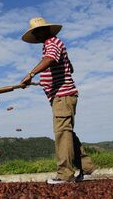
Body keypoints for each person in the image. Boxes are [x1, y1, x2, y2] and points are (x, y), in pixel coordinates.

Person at [20, 17, 95, 184]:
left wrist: (30, 74)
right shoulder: (55, 44)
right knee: (67, 133)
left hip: (63, 96)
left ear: (45, 31)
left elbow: (50, 59)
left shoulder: (52, 42)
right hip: (63, 95)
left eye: (37, 31)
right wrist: (45, 80)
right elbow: (69, 68)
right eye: (35, 32)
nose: (37, 35)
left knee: (62, 133)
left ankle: (64, 175)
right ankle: (87, 168)